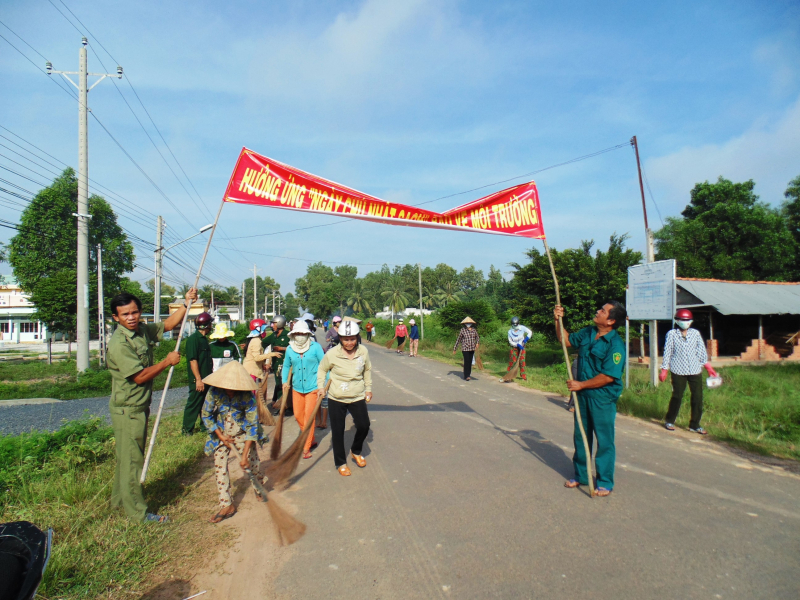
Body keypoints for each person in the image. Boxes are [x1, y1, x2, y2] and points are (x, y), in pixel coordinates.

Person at [106, 287, 197, 523]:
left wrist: (186, 304)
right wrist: (167, 362)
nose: (132, 317)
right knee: (132, 461)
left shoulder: (140, 330)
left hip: (138, 406)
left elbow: (167, 326)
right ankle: (138, 513)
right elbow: (139, 377)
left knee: (126, 458)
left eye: (135, 312)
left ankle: (118, 503)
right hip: (128, 409)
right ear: (116, 318)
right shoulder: (119, 343)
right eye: (125, 314)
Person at [554, 302, 626, 497]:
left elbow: (608, 376)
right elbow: (566, 341)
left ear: (611, 320)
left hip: (602, 398)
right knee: (581, 437)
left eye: (603, 311)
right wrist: (557, 320)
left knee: (604, 441)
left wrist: (581, 385)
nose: (598, 311)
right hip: (583, 397)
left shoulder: (615, 345)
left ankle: (604, 482)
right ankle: (582, 476)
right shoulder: (588, 332)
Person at [200, 361, 268, 523]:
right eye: (227, 387)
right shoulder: (214, 392)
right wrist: (220, 435)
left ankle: (259, 487)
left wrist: (244, 455)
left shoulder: (247, 396)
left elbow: (252, 426)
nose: (230, 391)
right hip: (221, 432)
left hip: (242, 432)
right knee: (219, 465)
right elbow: (206, 415)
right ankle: (226, 503)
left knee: (253, 464)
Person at [316, 319, 372, 476]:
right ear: (340, 338)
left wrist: (368, 389)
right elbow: (322, 369)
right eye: (346, 339)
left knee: (364, 425)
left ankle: (356, 450)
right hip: (337, 397)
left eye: (352, 339)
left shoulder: (363, 352)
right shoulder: (332, 354)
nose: (349, 343)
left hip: (357, 395)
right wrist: (321, 387)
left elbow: (367, 370)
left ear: (357, 337)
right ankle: (340, 462)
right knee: (338, 431)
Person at [660, 309, 718, 434]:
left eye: (687, 320)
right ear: (677, 321)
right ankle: (670, 420)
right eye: (682, 320)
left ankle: (695, 424)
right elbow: (668, 352)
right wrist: (664, 369)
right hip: (678, 370)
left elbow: (701, 351)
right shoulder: (672, 334)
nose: (685, 322)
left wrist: (708, 367)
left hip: (695, 369)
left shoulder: (695, 334)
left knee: (697, 397)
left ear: (691, 321)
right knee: (677, 396)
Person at [283, 320, 325, 459]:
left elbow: (324, 365)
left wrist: (323, 385)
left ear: (307, 334)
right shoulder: (290, 349)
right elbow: (286, 366)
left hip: (313, 388)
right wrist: (284, 382)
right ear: (293, 335)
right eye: (298, 333)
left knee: (309, 418)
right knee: (298, 415)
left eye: (303, 333)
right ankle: (311, 439)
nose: (300, 336)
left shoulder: (315, 347)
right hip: (297, 388)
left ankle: (306, 447)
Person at [183, 311, 214, 434]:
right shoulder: (193, 339)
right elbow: (193, 361)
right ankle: (187, 429)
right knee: (194, 404)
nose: (211, 326)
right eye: (210, 323)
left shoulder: (204, 339)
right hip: (199, 379)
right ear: (205, 325)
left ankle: (203, 426)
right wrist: (198, 380)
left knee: (205, 404)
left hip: (207, 378)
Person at [262, 315, 291, 415]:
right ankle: (281, 404)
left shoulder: (288, 335)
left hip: (285, 364)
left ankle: (285, 406)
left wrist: (282, 349)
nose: (272, 325)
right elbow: (263, 343)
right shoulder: (274, 335)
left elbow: (294, 348)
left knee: (283, 384)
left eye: (274, 323)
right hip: (276, 364)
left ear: (279, 323)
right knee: (278, 384)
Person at [243, 319, 272, 383]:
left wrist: (263, 365)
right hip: (251, 371)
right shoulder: (256, 341)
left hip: (252, 370)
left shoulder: (255, 340)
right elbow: (257, 358)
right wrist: (271, 354)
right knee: (251, 391)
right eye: (264, 330)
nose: (265, 332)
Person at [507, 316, 533, 381]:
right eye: (514, 325)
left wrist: (526, 339)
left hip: (522, 347)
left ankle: (523, 377)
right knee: (512, 361)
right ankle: (509, 375)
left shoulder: (522, 328)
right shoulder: (510, 332)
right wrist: (517, 344)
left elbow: (530, 332)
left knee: (522, 361)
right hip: (514, 347)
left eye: (516, 325)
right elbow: (510, 342)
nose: (515, 327)